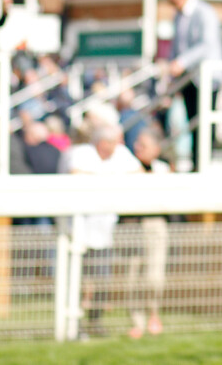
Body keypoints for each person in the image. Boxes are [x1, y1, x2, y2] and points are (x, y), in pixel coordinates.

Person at [64, 120, 142, 337]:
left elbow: (139, 173)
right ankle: (75, 323)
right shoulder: (80, 153)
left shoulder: (121, 154)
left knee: (102, 280)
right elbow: (75, 175)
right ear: (100, 142)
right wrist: (113, 180)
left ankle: (95, 321)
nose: (115, 146)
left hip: (105, 230)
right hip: (77, 230)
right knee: (77, 280)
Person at [167, 0, 222, 171]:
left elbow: (207, 44)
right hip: (189, 78)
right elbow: (177, 46)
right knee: (193, 121)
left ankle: (204, 164)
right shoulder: (178, 16)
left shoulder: (204, 12)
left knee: (205, 124)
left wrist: (181, 61)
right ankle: (196, 163)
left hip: (207, 78)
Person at [125, 126, 170, 339]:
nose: (137, 148)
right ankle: (136, 322)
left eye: (143, 145)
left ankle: (154, 314)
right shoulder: (127, 167)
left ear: (156, 148)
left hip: (155, 225)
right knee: (132, 277)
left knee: (154, 276)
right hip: (132, 226)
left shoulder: (163, 169)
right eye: (137, 144)